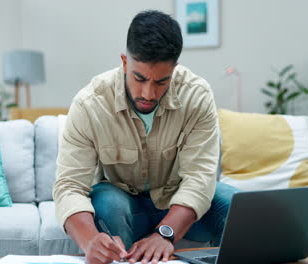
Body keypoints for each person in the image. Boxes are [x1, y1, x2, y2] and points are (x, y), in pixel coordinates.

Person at [53, 10, 240, 264]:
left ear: (174, 70)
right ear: (125, 62)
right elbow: (69, 186)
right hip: (122, 205)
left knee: (237, 206)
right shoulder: (90, 104)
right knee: (107, 202)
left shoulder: (197, 96)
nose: (148, 93)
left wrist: (165, 234)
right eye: (139, 78)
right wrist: (89, 241)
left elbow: (199, 178)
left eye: (161, 82)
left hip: (177, 199)